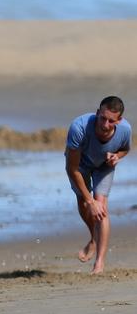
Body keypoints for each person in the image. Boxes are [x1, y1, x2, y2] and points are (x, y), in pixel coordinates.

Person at [65, 95, 131, 275]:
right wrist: (89, 200)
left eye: (111, 121)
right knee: (85, 204)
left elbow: (125, 149)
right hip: (80, 166)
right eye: (102, 118)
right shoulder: (78, 128)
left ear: (119, 120)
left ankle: (99, 264)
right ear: (97, 113)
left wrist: (117, 156)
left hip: (104, 167)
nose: (105, 124)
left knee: (101, 207)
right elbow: (71, 168)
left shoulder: (125, 129)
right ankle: (94, 238)